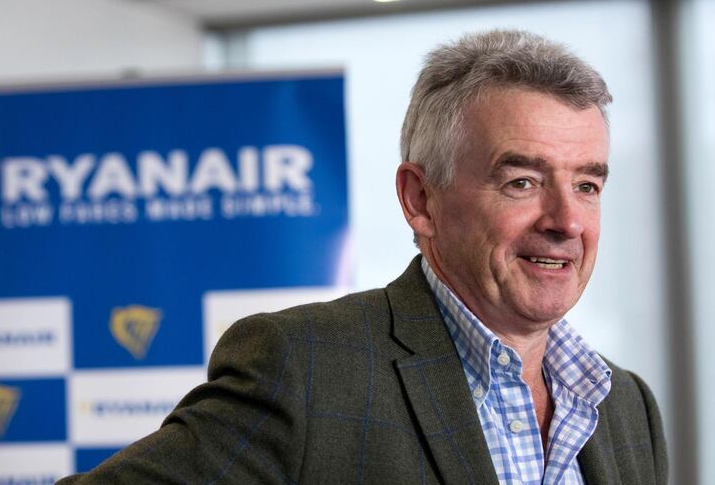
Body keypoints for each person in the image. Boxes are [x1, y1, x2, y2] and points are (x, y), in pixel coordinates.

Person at [59, 30, 667, 484]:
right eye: (522, 182)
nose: (566, 221)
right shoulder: (305, 371)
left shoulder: (625, 405)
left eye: (587, 185)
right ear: (420, 199)